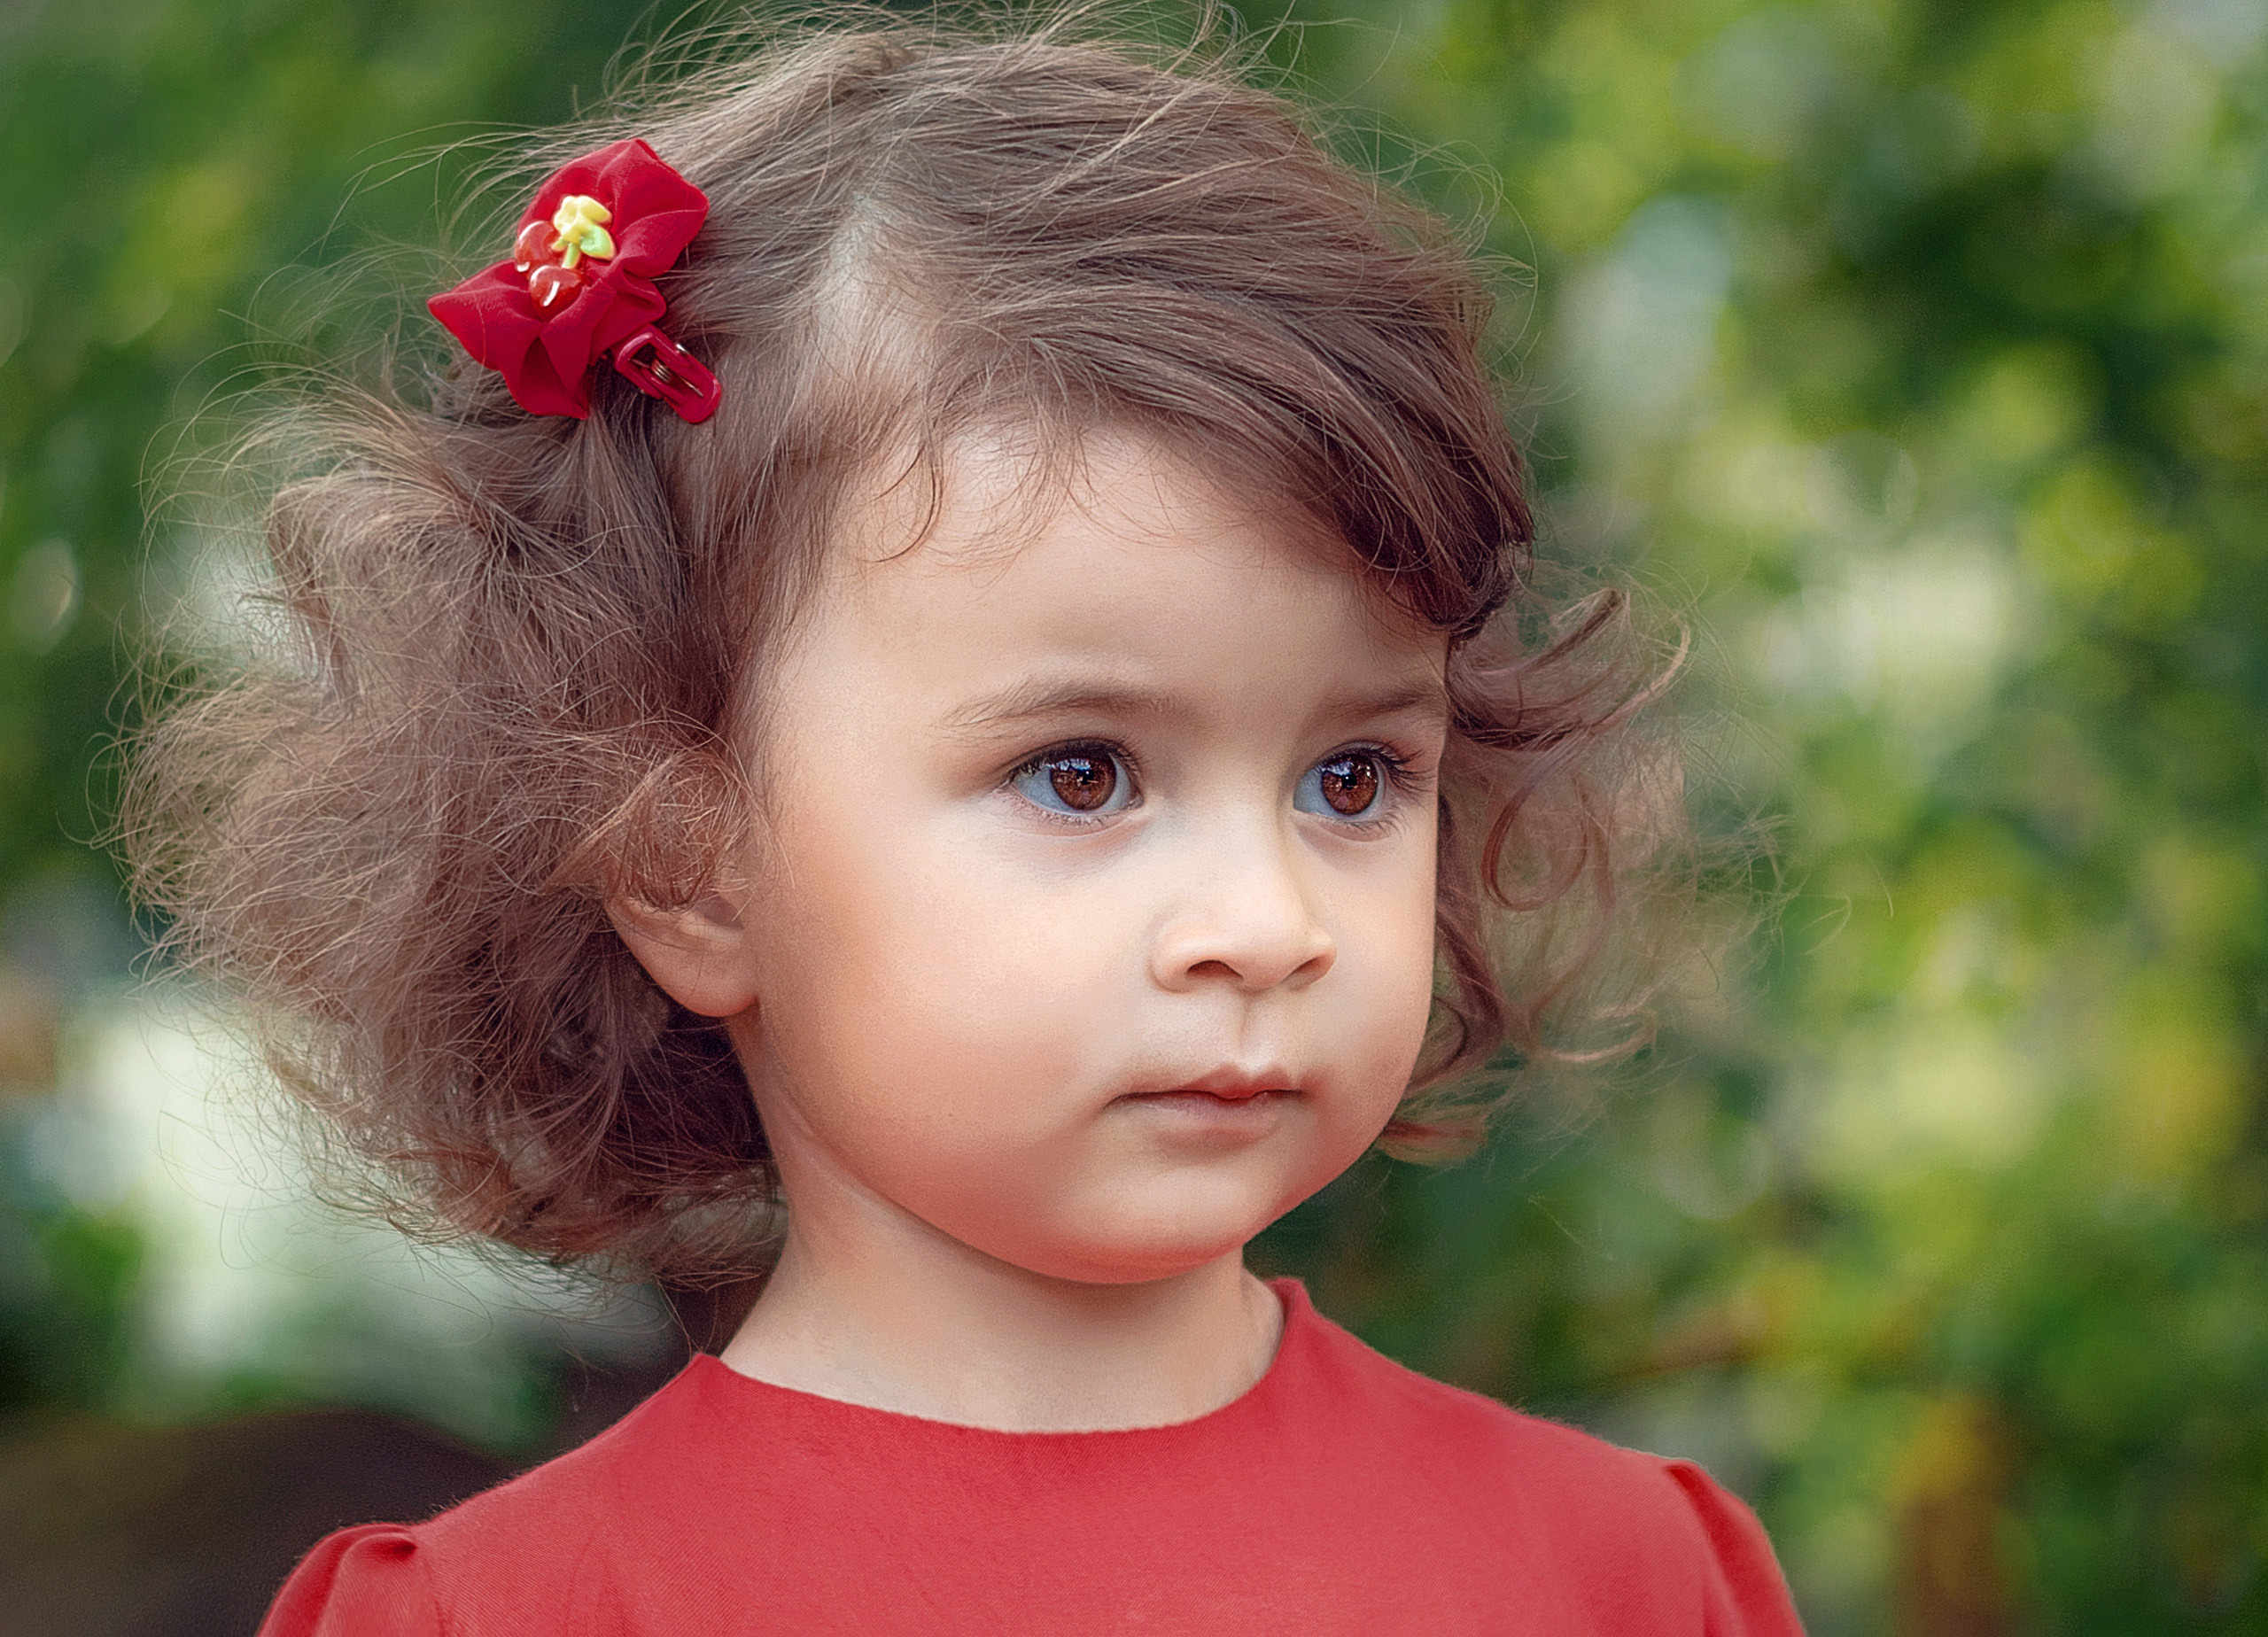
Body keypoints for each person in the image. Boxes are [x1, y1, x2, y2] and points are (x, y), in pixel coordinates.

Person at [127, 11, 1804, 1633]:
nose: (1268, 922)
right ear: (684, 862)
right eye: (1082, 774)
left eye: (1351, 780)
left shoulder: (1623, 1581)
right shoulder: (506, 1621)